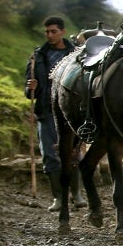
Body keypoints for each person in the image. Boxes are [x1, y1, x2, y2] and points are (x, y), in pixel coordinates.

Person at [24, 16, 86, 211]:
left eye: (54, 31)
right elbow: (28, 91)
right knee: (50, 155)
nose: (50, 35)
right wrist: (30, 87)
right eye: (47, 32)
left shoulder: (75, 55)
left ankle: (76, 195)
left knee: (73, 153)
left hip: (70, 112)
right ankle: (58, 198)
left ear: (62, 32)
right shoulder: (38, 57)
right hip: (46, 112)